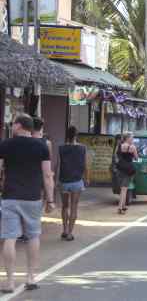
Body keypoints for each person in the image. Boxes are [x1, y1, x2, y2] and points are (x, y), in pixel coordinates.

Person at [0, 114, 55, 292]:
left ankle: (9, 282)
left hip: (10, 196)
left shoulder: (6, 144)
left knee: (9, 237)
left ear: (19, 126)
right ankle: (30, 278)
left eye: (14, 123)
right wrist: (51, 199)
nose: (12, 126)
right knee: (33, 236)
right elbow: (47, 175)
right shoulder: (41, 146)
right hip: (32, 198)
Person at [57, 126, 89, 241]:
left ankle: (64, 230)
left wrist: (57, 180)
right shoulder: (82, 148)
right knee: (74, 207)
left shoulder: (61, 148)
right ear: (76, 135)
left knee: (65, 206)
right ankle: (70, 233)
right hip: (77, 181)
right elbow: (85, 165)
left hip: (64, 180)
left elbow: (58, 165)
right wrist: (86, 178)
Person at [116, 132, 138, 214]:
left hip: (120, 168)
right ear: (127, 138)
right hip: (128, 170)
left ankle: (123, 205)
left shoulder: (119, 145)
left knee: (122, 188)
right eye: (132, 138)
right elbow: (136, 158)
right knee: (124, 189)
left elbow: (117, 155)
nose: (132, 139)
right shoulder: (132, 147)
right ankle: (120, 207)